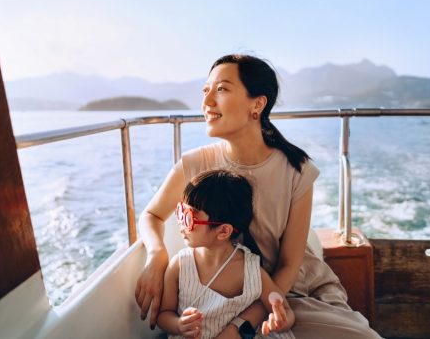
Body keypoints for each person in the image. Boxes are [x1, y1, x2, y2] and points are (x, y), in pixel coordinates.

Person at [136, 54, 382, 338]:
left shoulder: (297, 170)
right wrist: (156, 256)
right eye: (206, 90)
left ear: (257, 104)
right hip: (220, 300)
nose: (207, 102)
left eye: (222, 89)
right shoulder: (194, 165)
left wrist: (242, 324)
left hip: (289, 294)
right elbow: (151, 215)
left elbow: (290, 264)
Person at [157, 169, 294, 338]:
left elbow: (286, 311)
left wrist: (279, 321)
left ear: (223, 231)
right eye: (180, 212)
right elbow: (163, 314)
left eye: (189, 218)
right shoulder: (179, 265)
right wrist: (178, 325)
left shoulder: (251, 271)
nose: (181, 223)